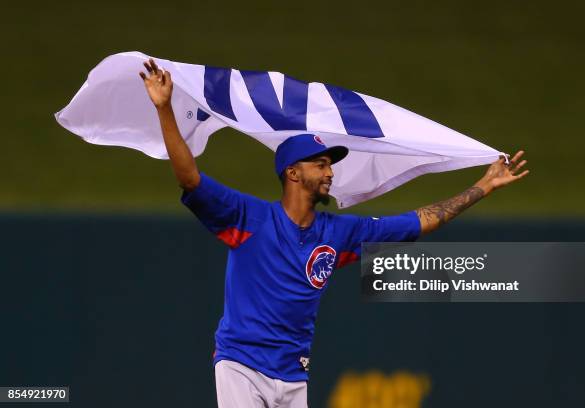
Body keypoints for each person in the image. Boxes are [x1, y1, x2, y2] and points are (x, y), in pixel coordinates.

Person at [139, 58, 529, 408]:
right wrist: (164, 108)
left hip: (293, 376)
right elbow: (189, 177)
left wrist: (483, 187)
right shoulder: (248, 218)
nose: (330, 173)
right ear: (293, 173)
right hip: (242, 366)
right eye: (321, 164)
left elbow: (418, 221)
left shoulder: (339, 232)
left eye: (330, 165)